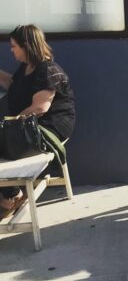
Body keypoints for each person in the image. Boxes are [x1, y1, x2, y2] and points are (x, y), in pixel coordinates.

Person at [0, 25, 75, 212]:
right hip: (30, 125)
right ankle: (11, 192)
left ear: (27, 46)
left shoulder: (48, 70)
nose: (11, 50)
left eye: (14, 46)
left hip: (50, 125)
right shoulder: (27, 67)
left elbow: (40, 108)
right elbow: (14, 84)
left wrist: (9, 124)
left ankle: (12, 195)